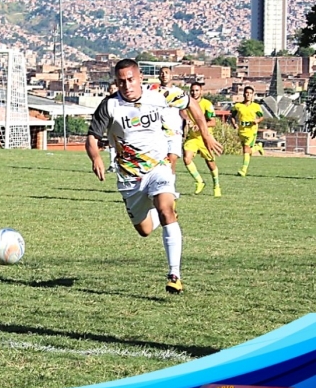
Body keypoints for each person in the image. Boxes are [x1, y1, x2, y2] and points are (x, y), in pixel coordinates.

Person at [86, 59, 223, 294]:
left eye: (130, 80)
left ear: (139, 78)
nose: (126, 85)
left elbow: (191, 103)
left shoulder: (159, 95)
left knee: (167, 209)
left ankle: (174, 274)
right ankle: (159, 213)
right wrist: (96, 157)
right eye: (121, 81)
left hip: (159, 168)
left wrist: (206, 133)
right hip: (130, 177)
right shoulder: (110, 106)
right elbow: (91, 137)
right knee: (145, 230)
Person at [183, 83, 221, 197]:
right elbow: (182, 112)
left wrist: (200, 126)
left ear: (201, 91)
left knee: (210, 164)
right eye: (192, 90)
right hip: (193, 137)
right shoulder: (187, 103)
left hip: (205, 137)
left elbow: (213, 122)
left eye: (196, 90)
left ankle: (216, 186)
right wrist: (186, 120)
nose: (194, 93)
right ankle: (199, 181)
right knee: (186, 158)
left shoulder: (206, 104)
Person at [229, 86, 264, 177]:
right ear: (243, 94)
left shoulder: (256, 106)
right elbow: (232, 116)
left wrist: (257, 121)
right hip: (241, 130)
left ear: (253, 95)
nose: (248, 95)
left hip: (252, 130)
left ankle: (243, 170)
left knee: (246, 149)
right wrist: (234, 124)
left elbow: (261, 117)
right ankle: (258, 147)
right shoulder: (237, 106)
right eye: (246, 92)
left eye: (250, 93)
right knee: (247, 150)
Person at [158, 66, 184, 174]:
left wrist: (189, 120)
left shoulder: (178, 92)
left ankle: (170, 186)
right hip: (159, 131)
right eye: (162, 73)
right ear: (159, 76)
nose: (164, 75)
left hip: (174, 131)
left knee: (172, 159)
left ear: (171, 75)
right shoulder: (154, 91)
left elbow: (184, 109)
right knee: (162, 162)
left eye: (166, 72)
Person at [105, 83, 119, 173]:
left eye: (114, 88)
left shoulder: (120, 100)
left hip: (120, 124)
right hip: (111, 124)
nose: (113, 90)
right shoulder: (106, 100)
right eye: (111, 88)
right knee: (111, 144)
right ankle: (112, 165)